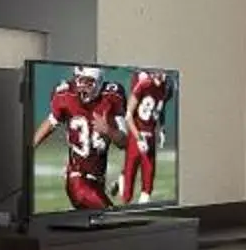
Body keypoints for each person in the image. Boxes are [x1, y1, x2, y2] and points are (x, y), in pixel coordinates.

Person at [28, 66, 125, 209]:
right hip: (77, 180)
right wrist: (28, 148)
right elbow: (51, 122)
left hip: (97, 181)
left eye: (89, 82)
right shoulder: (65, 96)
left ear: (99, 83)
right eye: (80, 81)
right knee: (112, 216)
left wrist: (108, 130)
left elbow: (124, 143)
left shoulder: (112, 97)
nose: (82, 88)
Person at [119, 69, 173, 204]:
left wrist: (162, 128)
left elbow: (160, 107)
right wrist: (138, 138)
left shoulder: (167, 86)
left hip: (150, 137)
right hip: (136, 135)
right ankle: (122, 176)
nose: (161, 75)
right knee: (127, 195)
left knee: (148, 188)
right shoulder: (143, 84)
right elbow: (128, 115)